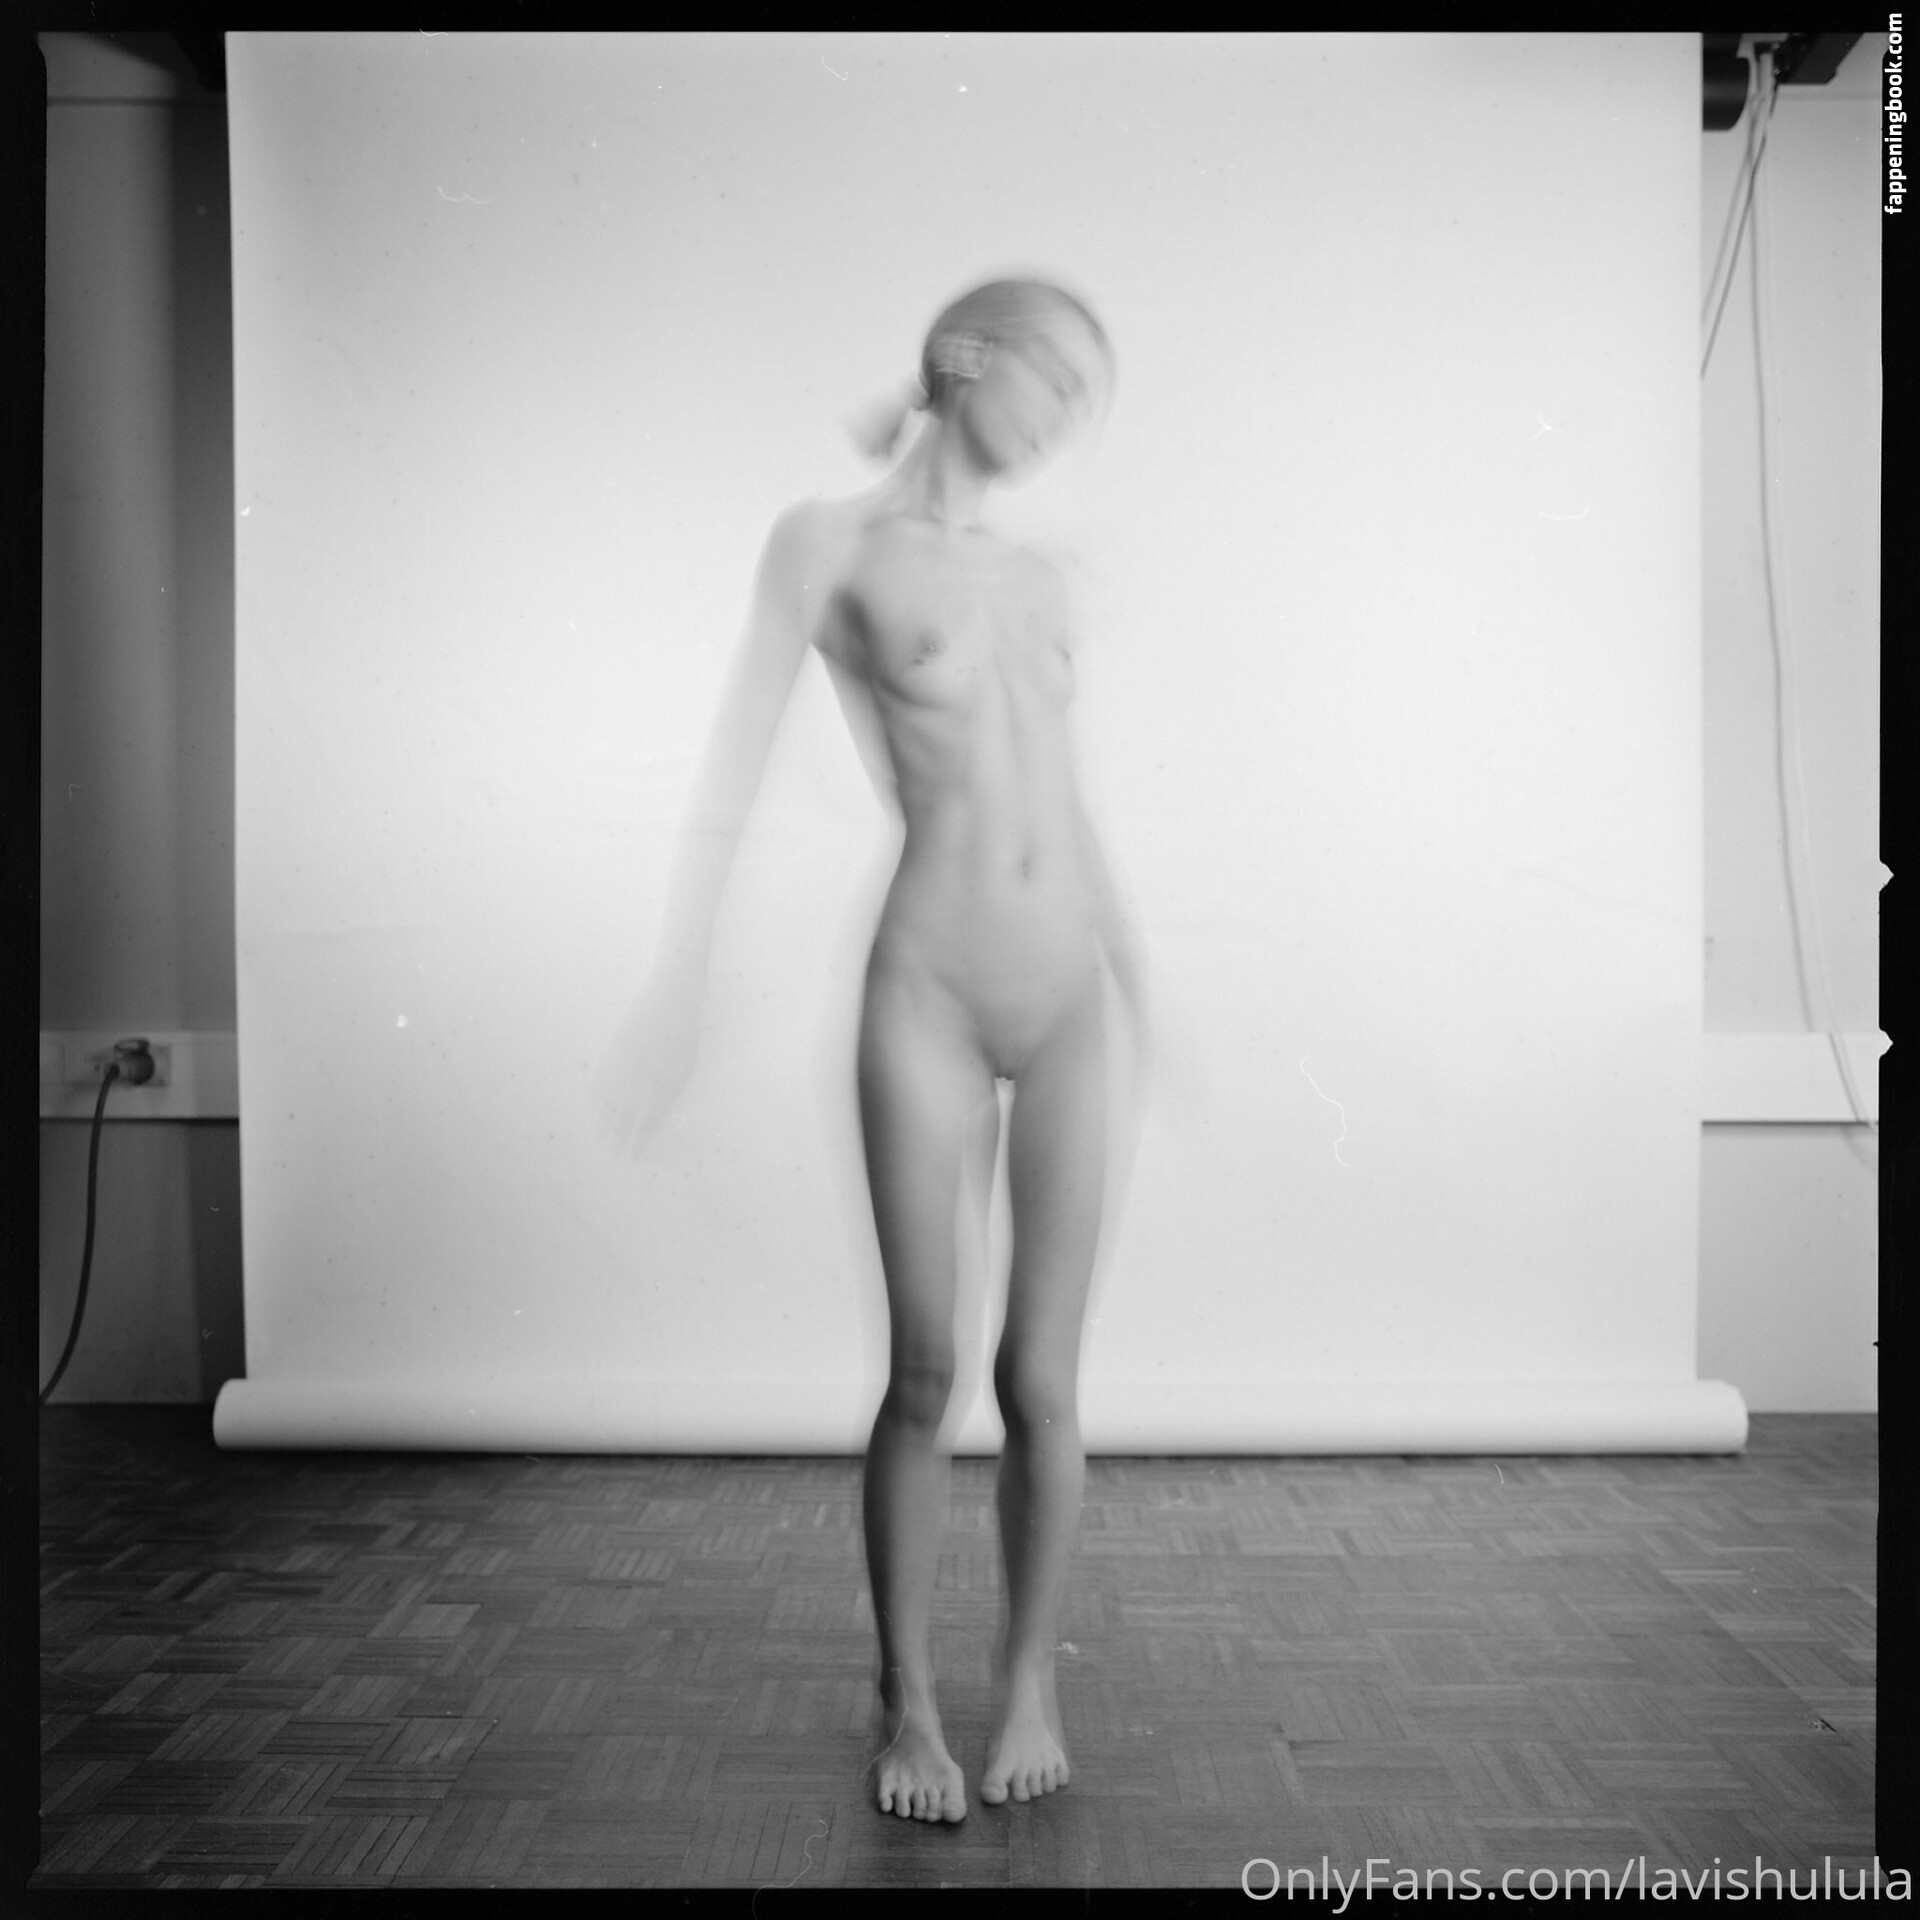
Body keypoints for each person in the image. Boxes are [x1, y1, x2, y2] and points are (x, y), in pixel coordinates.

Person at [598, 277, 1147, 1822]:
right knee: (926, 1370)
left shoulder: (1039, 576)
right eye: (1052, 382)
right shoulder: (825, 545)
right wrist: (682, 979)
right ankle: (906, 1702)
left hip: (1070, 999)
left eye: (1085, 404)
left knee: (1044, 1378)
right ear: (964, 359)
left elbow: (1068, 796)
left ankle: (1029, 1679)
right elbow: (736, 762)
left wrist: (1144, 978)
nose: (1063, 424)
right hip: (928, 993)